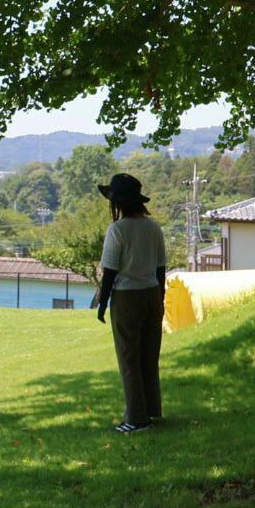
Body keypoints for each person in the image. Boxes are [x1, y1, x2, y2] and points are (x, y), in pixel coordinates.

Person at [94, 173, 167, 434]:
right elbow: (161, 268)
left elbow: (110, 271)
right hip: (152, 293)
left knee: (129, 358)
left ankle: (136, 419)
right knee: (149, 356)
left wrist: (102, 304)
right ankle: (151, 409)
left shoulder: (118, 230)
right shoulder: (153, 228)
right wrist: (161, 298)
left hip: (127, 296)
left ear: (118, 203)